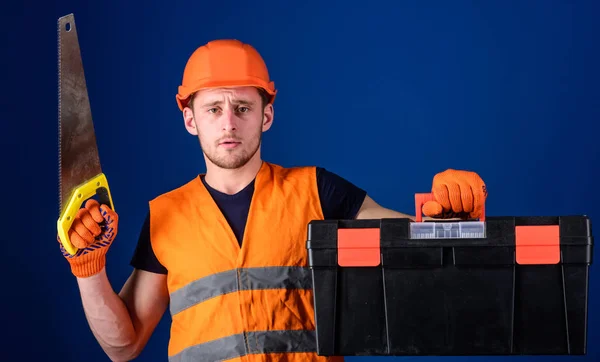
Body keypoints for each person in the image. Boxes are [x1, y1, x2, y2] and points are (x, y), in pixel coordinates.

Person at [59, 39, 488, 362]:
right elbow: (123, 345)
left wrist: (451, 214)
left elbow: (412, 241)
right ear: (190, 120)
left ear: (266, 115)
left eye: (243, 107)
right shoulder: (166, 215)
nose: (229, 123)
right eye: (213, 109)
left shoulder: (317, 191)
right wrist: (88, 269)